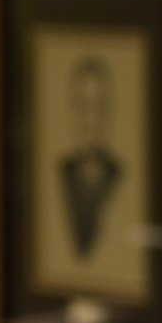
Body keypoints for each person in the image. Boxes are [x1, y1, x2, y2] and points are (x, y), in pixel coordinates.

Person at [58, 55, 124, 259]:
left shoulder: (123, 177)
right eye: (84, 106)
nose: (92, 120)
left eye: (100, 107)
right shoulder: (58, 176)